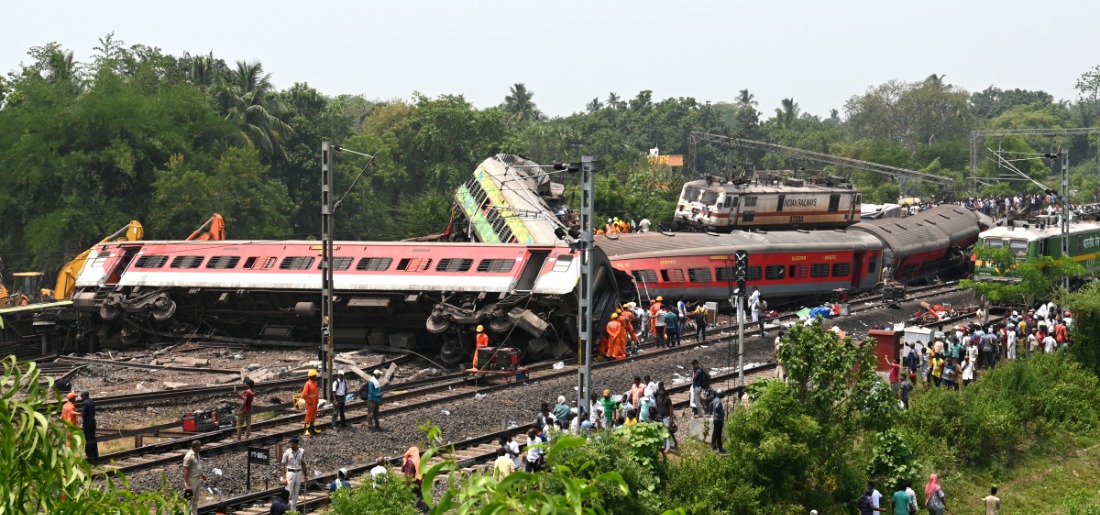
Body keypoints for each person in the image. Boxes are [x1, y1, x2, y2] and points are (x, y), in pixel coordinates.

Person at [281, 436, 307, 510]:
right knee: (288, 491)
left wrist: (305, 475)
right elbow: (282, 465)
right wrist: (284, 478)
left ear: (297, 444)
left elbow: (303, 463)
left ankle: (293, 510)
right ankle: (286, 509)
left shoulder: (301, 451)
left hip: (299, 472)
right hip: (290, 473)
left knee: (296, 492)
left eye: (293, 444)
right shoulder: (287, 452)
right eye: (291, 444)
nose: (291, 446)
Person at [182, 440, 206, 515]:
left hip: (198, 479)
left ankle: (194, 513)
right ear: (196, 447)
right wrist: (187, 483)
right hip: (191, 480)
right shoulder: (189, 457)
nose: (201, 447)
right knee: (188, 500)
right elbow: (185, 470)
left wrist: (202, 475)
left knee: (196, 498)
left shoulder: (197, 453)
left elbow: (197, 465)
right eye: (200, 446)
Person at [301, 369, 322, 436]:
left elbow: (316, 393)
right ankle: (307, 430)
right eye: (315, 375)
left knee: (313, 417)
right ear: (312, 376)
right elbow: (304, 394)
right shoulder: (308, 384)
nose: (316, 376)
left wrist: (317, 400)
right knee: (308, 417)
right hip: (310, 404)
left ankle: (313, 429)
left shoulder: (314, 383)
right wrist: (308, 401)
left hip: (314, 404)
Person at [80, 391, 98, 459]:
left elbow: (83, 414)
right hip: (93, 420)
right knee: (93, 437)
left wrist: (80, 414)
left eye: (82, 396)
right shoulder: (92, 402)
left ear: (85, 395)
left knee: (88, 438)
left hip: (87, 422)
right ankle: (95, 453)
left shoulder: (85, 403)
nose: (81, 398)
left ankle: (89, 454)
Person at [709, 389, 726, 453]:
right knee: (717, 433)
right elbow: (716, 407)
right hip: (719, 419)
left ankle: (720, 447)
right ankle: (714, 447)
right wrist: (717, 412)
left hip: (715, 419)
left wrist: (713, 412)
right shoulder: (718, 400)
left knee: (717, 434)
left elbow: (710, 405)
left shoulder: (714, 399)